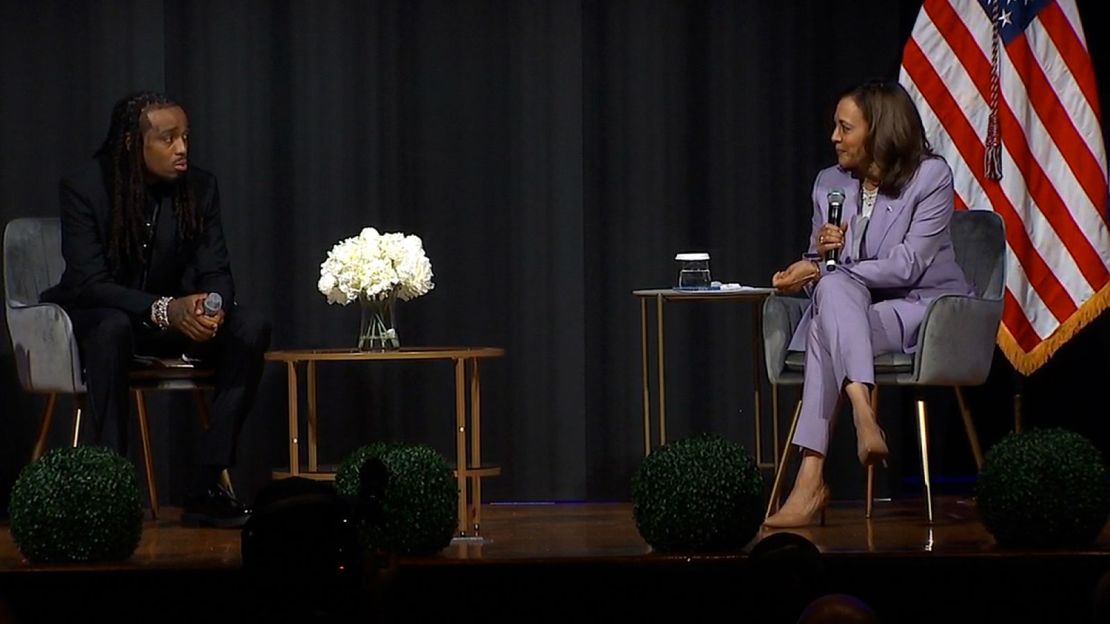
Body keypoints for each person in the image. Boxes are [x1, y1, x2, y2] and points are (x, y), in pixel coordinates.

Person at [42, 91, 271, 528]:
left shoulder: (200, 188)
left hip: (174, 320)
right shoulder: (86, 187)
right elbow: (90, 283)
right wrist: (165, 309)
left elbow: (217, 268)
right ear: (133, 143)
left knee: (251, 326)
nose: (182, 148)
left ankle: (206, 484)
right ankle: (110, 489)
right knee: (110, 329)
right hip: (107, 315)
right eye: (168, 139)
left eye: (185, 137)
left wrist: (212, 306)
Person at [763, 80, 971, 528]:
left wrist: (825, 270)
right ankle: (863, 413)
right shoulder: (829, 182)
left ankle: (811, 477)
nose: (834, 137)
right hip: (853, 310)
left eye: (845, 127)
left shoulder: (930, 176)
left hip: (920, 310)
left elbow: (908, 265)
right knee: (833, 299)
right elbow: (822, 260)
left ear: (878, 131)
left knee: (826, 320)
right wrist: (807, 265)